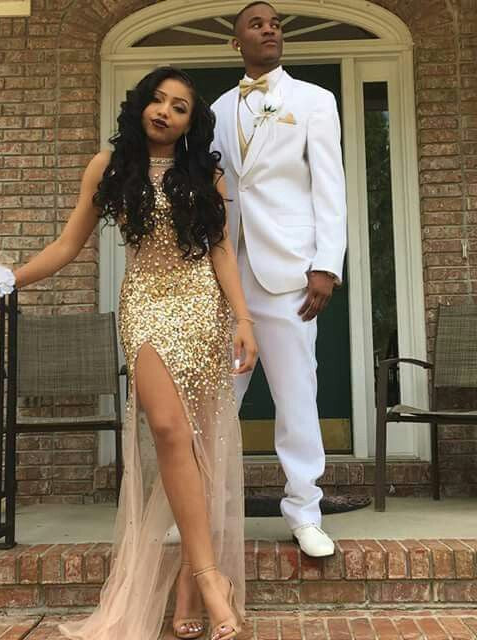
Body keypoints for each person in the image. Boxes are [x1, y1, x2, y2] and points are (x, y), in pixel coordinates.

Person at [0, 66, 258, 640]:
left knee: (198, 445)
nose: (165, 111)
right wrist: (11, 277)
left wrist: (243, 319)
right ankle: (211, 578)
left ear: (191, 122)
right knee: (167, 430)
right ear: (141, 105)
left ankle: (191, 584)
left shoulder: (205, 174)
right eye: (157, 100)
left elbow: (220, 250)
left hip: (201, 307)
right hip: (144, 304)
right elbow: (68, 244)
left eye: (180, 107)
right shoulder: (108, 166)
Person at [211, 1, 347, 558]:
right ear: (236, 41)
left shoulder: (315, 100)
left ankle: (305, 511)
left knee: (296, 396)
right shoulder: (217, 109)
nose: (269, 29)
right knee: (218, 398)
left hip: (290, 272)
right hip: (227, 274)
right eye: (256, 24)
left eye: (275, 23)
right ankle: (204, 509)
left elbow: (330, 185)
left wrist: (326, 263)